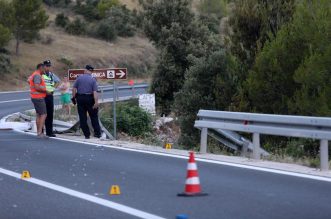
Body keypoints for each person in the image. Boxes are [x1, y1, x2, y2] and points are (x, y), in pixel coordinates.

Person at [72, 65, 101, 139]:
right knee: (94, 116)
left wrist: (74, 97)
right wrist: (96, 102)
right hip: (90, 98)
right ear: (90, 71)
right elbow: (95, 92)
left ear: (85, 70)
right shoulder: (93, 80)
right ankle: (97, 134)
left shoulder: (79, 78)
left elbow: (74, 89)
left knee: (82, 117)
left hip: (80, 98)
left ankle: (86, 135)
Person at [29, 63, 48, 138]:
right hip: (38, 97)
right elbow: (37, 87)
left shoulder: (34, 74)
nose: (45, 70)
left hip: (35, 97)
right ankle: (40, 133)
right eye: (44, 68)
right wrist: (45, 90)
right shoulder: (37, 75)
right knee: (43, 114)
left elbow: (30, 82)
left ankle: (38, 132)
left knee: (38, 114)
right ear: (40, 68)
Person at [42, 60, 60, 137]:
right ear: (44, 66)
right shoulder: (40, 74)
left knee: (50, 114)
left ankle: (49, 132)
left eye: (49, 66)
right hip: (42, 96)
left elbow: (58, 81)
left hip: (50, 96)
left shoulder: (51, 75)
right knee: (42, 114)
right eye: (47, 66)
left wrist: (53, 88)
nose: (48, 67)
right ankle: (41, 131)